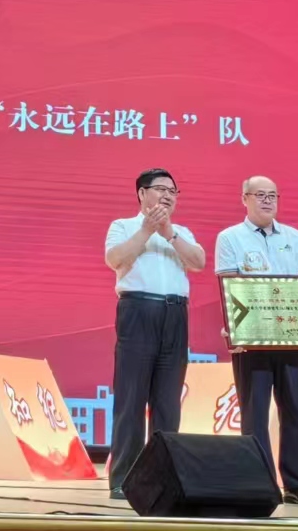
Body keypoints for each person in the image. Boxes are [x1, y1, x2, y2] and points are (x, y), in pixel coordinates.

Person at [215, 175, 298, 506]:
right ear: (244, 198)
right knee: (254, 414)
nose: (267, 201)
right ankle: (257, 484)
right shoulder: (230, 237)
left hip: (293, 338)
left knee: (295, 412)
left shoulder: (295, 237)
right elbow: (230, 288)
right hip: (252, 340)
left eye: (272, 195)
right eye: (260, 195)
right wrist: (235, 329)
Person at [105, 167, 205, 499]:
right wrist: (147, 230)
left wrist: (168, 232)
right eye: (161, 189)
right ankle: (124, 479)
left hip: (175, 314)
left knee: (167, 402)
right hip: (138, 310)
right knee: (131, 398)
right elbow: (115, 258)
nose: (167, 195)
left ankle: (162, 478)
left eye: (173, 191)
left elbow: (199, 261)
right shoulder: (123, 226)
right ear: (141, 193)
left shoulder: (181, 231)